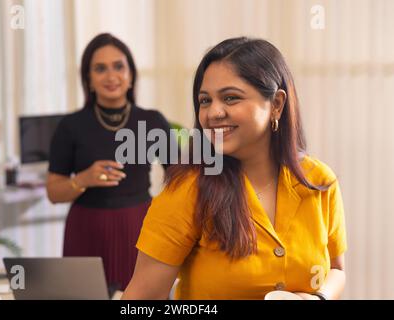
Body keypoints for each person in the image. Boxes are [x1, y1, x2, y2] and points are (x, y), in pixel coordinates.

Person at [122, 37, 347, 300]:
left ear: (276, 104)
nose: (213, 113)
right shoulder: (187, 191)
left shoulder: (319, 180)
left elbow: (336, 269)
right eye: (205, 101)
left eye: (230, 98)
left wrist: (318, 297)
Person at [46, 33, 172, 291]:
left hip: (140, 228)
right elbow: (53, 192)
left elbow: (181, 179)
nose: (111, 76)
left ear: (131, 75)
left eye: (118, 66)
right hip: (86, 230)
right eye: (100, 68)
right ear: (88, 79)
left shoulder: (152, 121)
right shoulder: (70, 126)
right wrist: (83, 179)